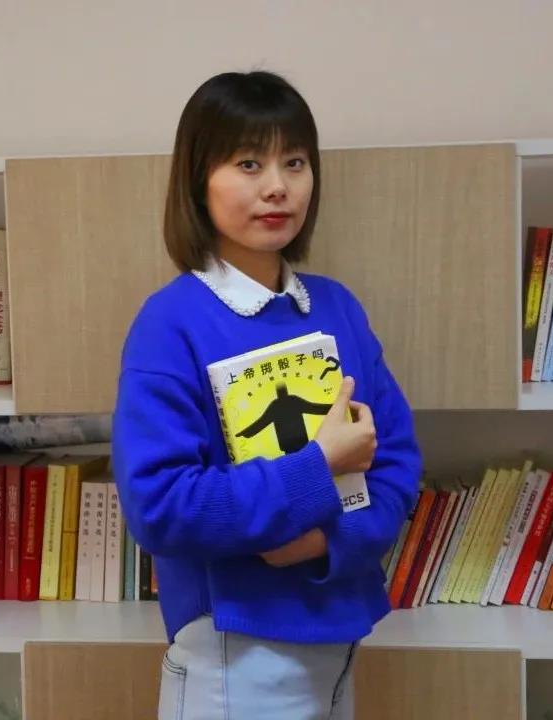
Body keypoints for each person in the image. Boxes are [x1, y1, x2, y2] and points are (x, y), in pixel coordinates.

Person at [112, 69, 422, 719]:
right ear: (198, 181)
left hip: (340, 639)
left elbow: (396, 471)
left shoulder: (337, 307)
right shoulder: (170, 323)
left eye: (295, 162)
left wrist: (319, 543)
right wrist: (319, 468)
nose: (277, 186)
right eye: (249, 164)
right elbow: (160, 506)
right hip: (233, 655)